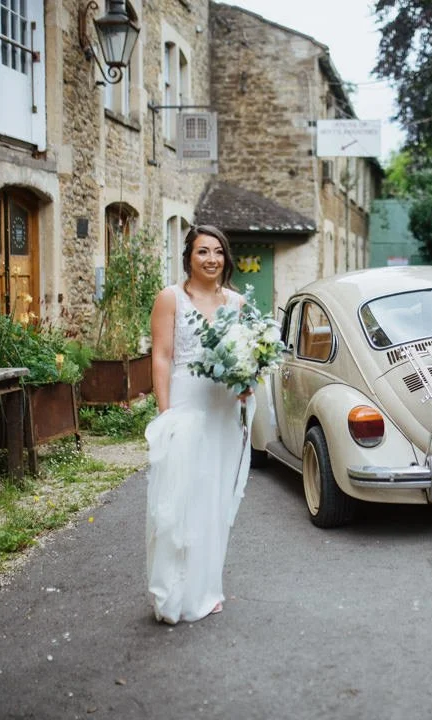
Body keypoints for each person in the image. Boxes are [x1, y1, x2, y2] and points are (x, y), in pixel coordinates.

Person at [144, 224, 255, 624]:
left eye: (219, 252)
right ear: (189, 256)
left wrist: (246, 385)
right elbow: (161, 356)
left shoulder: (238, 303)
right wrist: (165, 411)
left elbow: (245, 356)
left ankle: (207, 588)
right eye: (203, 252)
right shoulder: (170, 298)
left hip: (224, 409)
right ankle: (175, 590)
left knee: (215, 497)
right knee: (182, 497)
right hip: (187, 405)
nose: (211, 259)